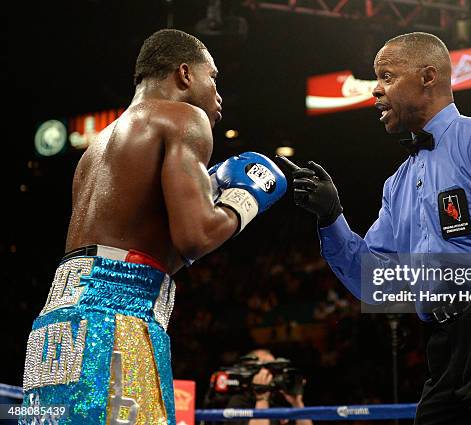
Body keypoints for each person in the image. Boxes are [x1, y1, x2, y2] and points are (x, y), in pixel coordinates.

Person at [278, 32, 471, 425]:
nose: (375, 90)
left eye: (387, 76)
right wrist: (331, 218)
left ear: (428, 76)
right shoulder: (397, 184)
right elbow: (376, 284)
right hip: (442, 348)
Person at [20, 29, 287, 424]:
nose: (218, 95)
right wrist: (245, 199)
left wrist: (208, 191)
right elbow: (196, 237)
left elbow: (141, 252)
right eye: (212, 77)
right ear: (184, 74)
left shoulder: (96, 149)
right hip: (116, 322)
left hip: (55, 331)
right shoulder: (184, 118)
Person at [224, 349, 313, 425]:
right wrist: (262, 399)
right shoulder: (238, 401)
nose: (273, 374)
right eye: (268, 368)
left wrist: (297, 404)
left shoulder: (280, 398)